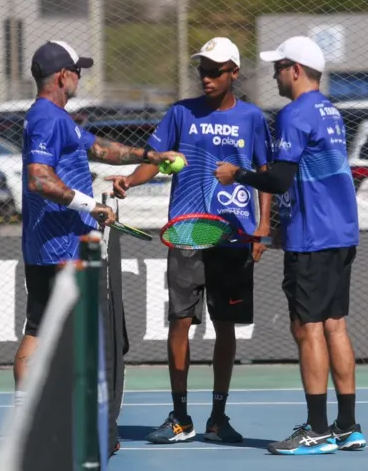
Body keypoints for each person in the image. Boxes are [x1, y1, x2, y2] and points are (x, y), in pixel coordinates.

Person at [106, 36, 273, 445]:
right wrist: (130, 178)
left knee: (225, 327)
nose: (207, 77)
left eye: (215, 70)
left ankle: (218, 416)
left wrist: (263, 226)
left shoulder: (252, 119)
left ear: (234, 73)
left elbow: (266, 175)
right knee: (180, 322)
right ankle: (180, 416)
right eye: (202, 69)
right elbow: (157, 160)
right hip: (185, 233)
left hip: (234, 238)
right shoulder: (181, 113)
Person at [214, 36, 364, 456]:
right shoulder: (330, 111)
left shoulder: (294, 114)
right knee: (335, 324)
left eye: (279, 67)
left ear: (296, 70)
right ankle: (347, 425)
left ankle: (317, 429)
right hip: (341, 232)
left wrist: (236, 175)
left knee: (308, 328)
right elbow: (308, 178)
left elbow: (279, 179)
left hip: (314, 238)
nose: (276, 74)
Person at [13, 40, 183, 407]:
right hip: (60, 248)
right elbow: (38, 179)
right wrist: (91, 206)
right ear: (63, 76)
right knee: (65, 336)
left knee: (43, 330)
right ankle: (54, 419)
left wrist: (151, 155)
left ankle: (36, 418)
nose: (80, 78)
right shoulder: (45, 117)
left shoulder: (59, 120)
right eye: (78, 71)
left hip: (58, 246)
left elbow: (101, 149)